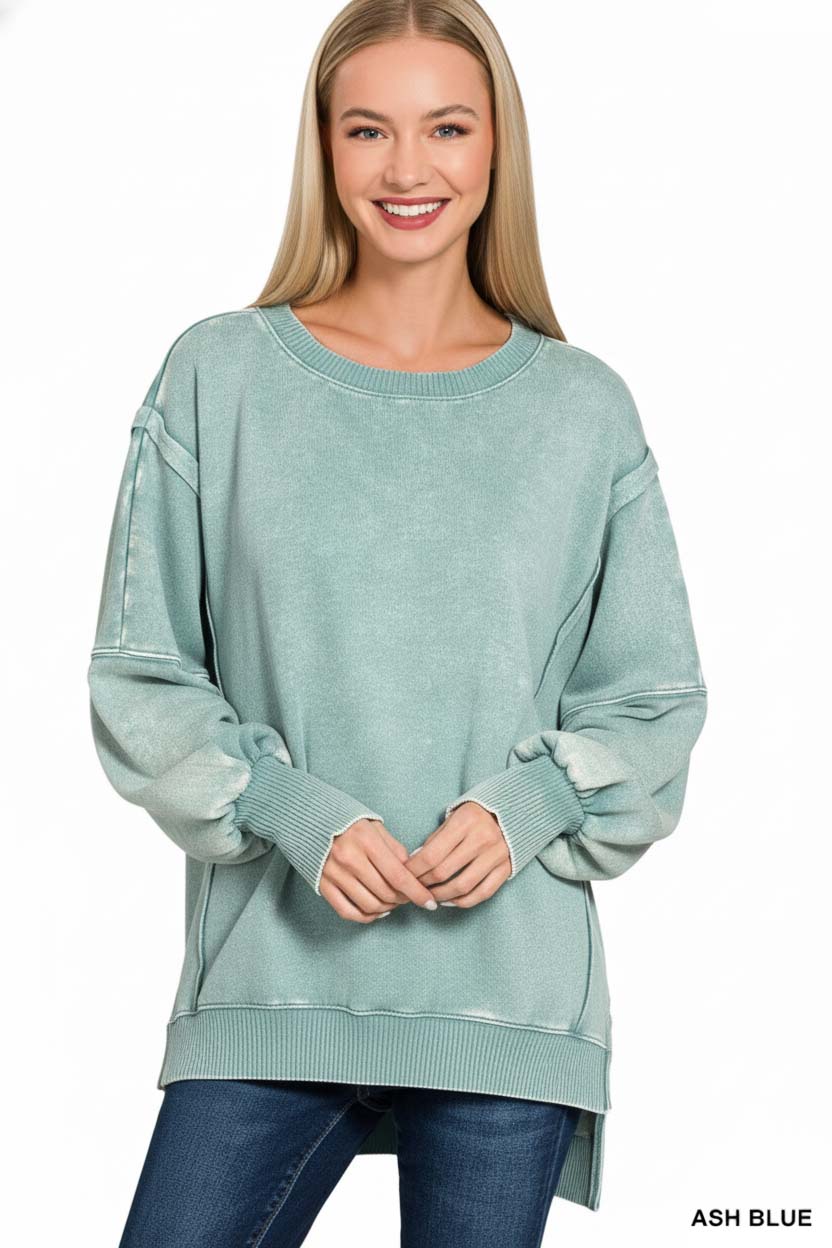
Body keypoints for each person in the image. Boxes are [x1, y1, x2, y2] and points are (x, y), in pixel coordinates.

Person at [88, 1, 708, 1244]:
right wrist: (289, 808)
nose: (407, 167)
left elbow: (651, 699)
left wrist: (531, 803)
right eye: (367, 128)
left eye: (447, 127)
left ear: (497, 147)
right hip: (270, 986)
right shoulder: (219, 375)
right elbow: (141, 674)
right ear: (323, 148)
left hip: (506, 1002)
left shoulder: (581, 408)